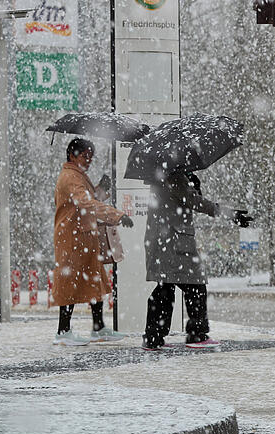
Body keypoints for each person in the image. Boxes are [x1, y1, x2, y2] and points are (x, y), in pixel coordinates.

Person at [142, 171, 253, 350]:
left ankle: (153, 337)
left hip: (161, 240)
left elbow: (183, 201)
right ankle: (197, 334)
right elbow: (195, 201)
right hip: (174, 242)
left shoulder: (160, 176)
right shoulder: (174, 176)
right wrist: (230, 214)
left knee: (165, 286)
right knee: (195, 285)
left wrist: (192, 186)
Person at [52, 138, 134, 346]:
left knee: (94, 281)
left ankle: (98, 326)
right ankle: (63, 331)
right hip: (73, 238)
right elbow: (86, 203)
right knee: (70, 283)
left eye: (91, 156)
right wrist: (116, 215)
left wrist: (102, 189)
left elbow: (88, 198)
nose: (88, 160)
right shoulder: (71, 177)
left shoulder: (78, 176)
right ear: (72, 155)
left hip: (84, 237)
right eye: (85, 156)